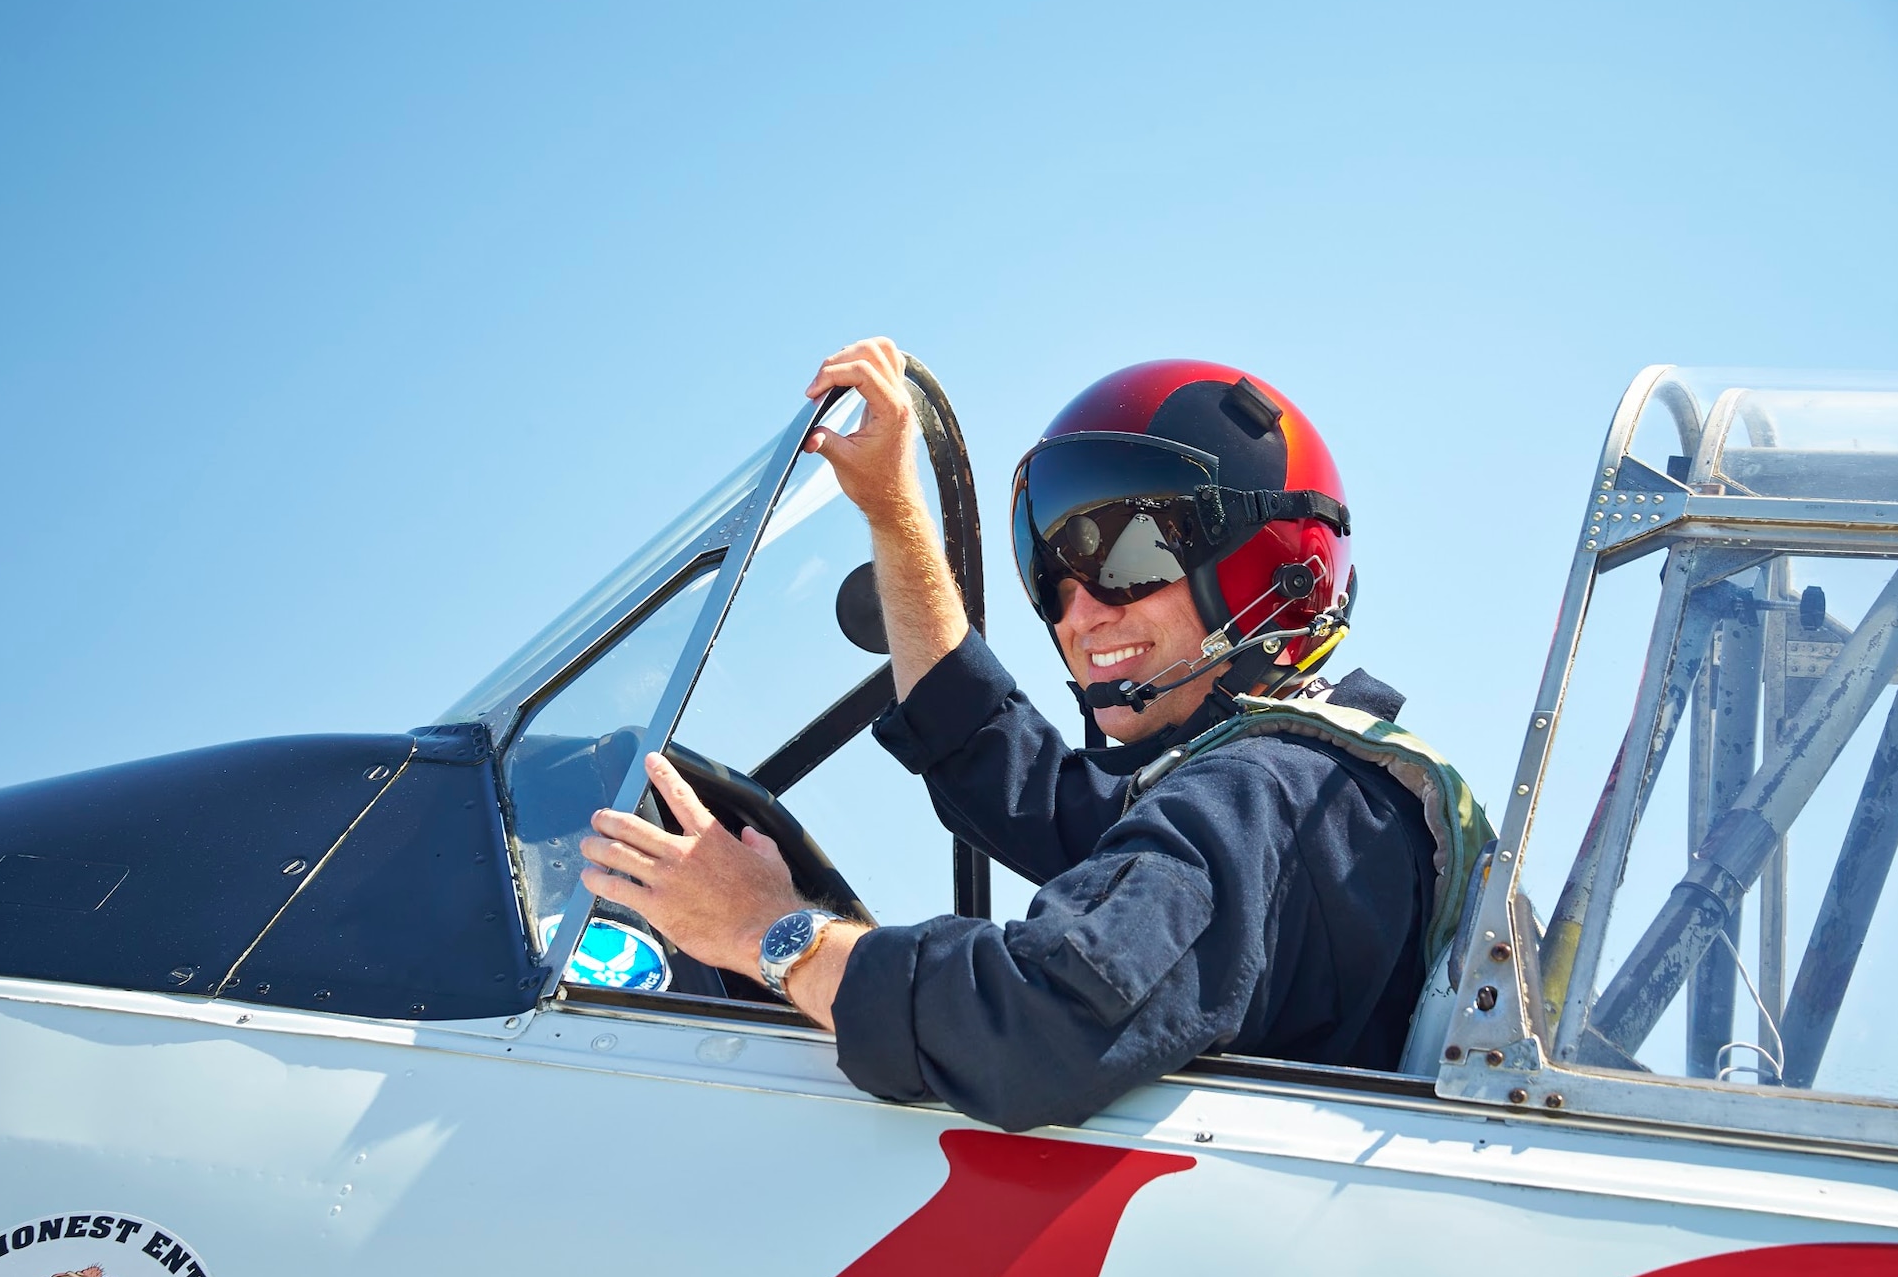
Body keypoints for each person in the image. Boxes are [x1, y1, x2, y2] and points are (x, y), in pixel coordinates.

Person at [582, 337, 1475, 1132]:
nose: (1079, 616)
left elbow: (1034, 1025)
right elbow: (1016, 772)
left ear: (1267, 567)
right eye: (1050, 578)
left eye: (1125, 556)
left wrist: (768, 932)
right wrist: (895, 515)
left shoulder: (1264, 795)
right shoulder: (1318, 794)